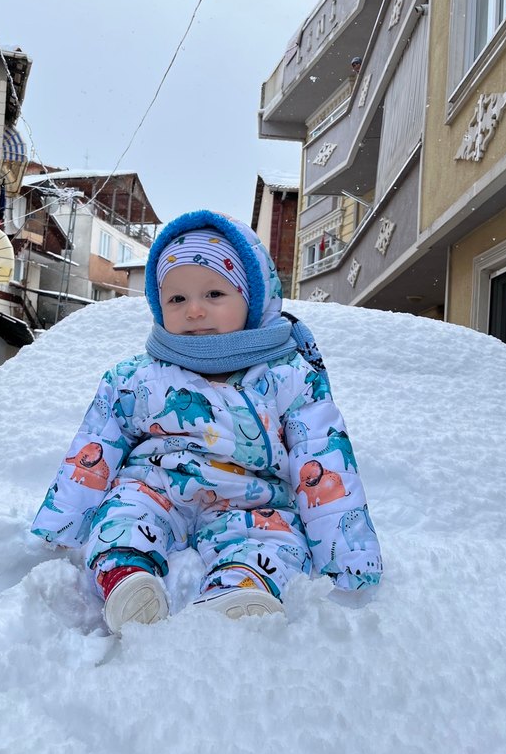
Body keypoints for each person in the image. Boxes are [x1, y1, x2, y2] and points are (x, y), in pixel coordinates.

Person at [32, 210, 382, 633]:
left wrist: (347, 555)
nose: (194, 310)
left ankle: (239, 589)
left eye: (214, 293)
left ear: (252, 298)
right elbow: (95, 446)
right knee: (122, 516)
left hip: (252, 501)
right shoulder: (138, 377)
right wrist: (64, 519)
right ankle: (127, 581)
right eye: (177, 299)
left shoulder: (287, 376)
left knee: (272, 541)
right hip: (156, 486)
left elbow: (323, 461)